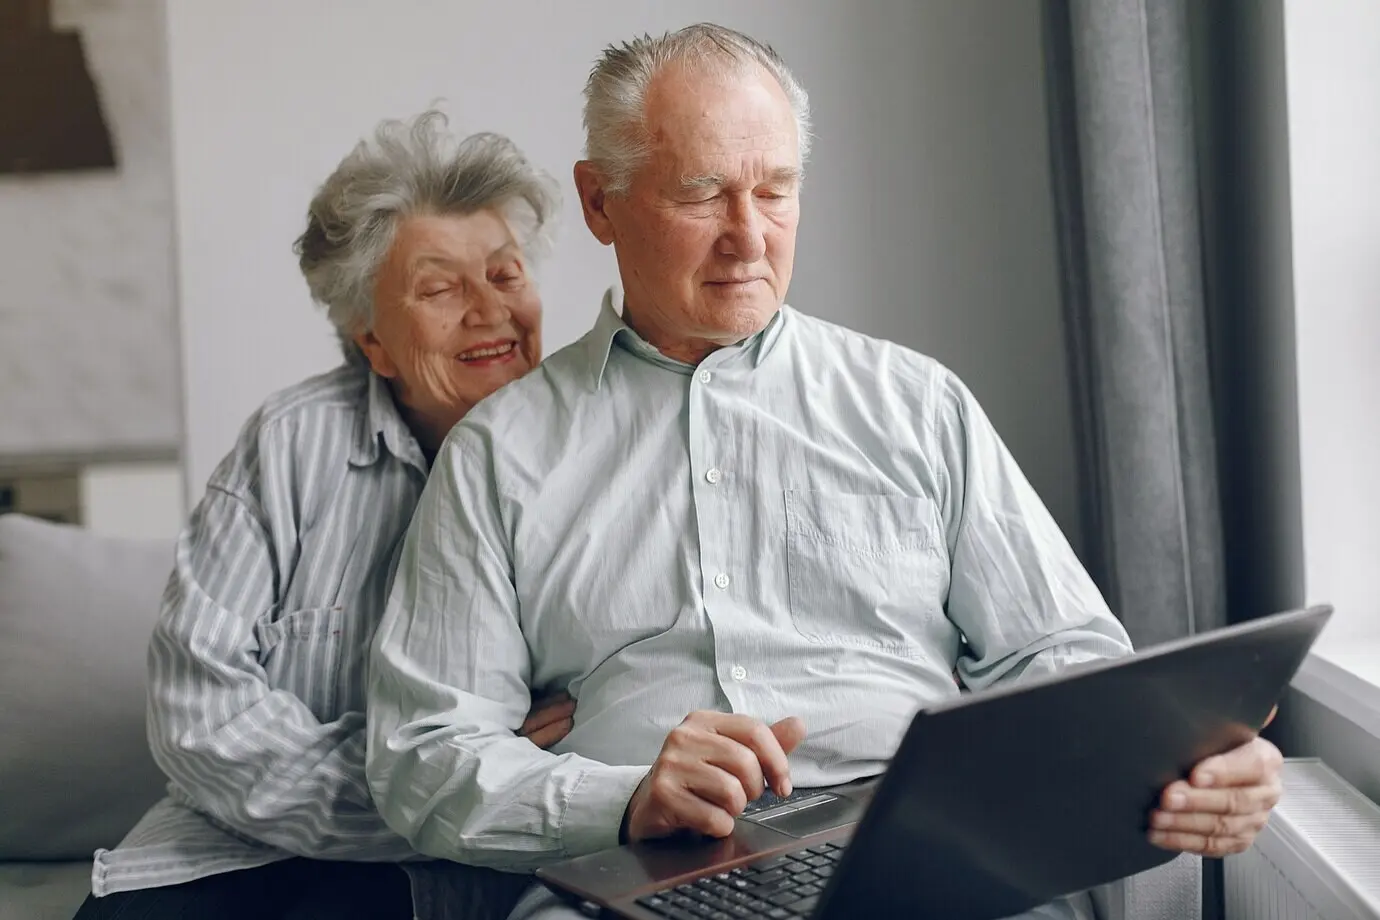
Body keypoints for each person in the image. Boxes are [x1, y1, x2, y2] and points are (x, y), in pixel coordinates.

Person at [365, 24, 1285, 920]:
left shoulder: (918, 405)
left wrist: (1184, 755)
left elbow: (1064, 656)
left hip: (922, 855)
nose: (747, 237)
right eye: (701, 194)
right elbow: (423, 757)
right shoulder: (499, 453)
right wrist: (626, 798)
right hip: (641, 869)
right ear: (600, 201)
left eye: (775, 191)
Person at [73, 112, 574, 920]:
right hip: (232, 863)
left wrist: (480, 788)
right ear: (370, 339)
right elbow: (199, 720)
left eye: (506, 274)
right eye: (442, 287)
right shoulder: (289, 446)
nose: (489, 311)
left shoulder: (600, 454)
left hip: (477, 884)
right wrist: (442, 792)